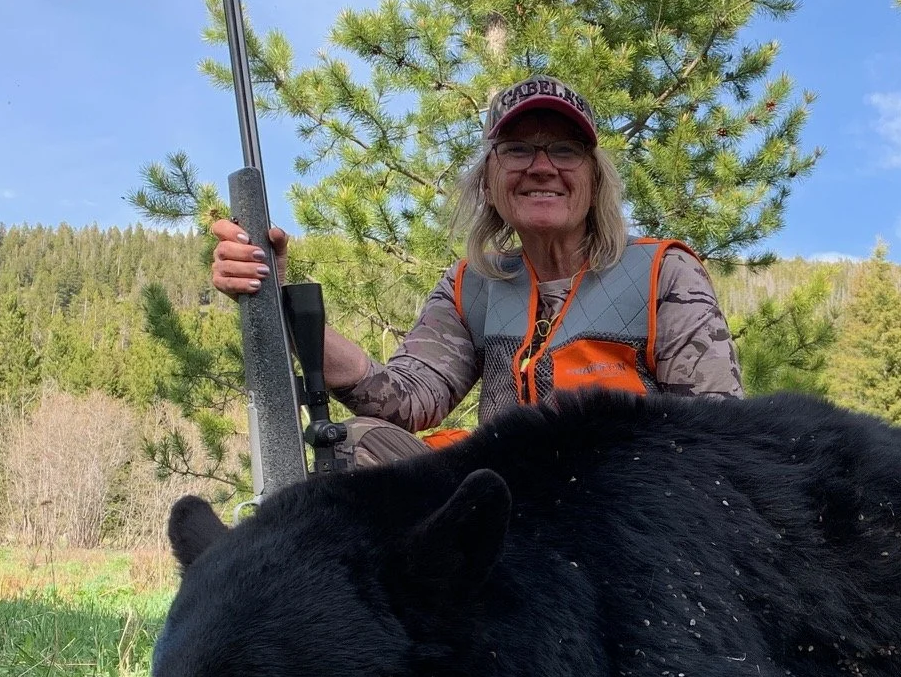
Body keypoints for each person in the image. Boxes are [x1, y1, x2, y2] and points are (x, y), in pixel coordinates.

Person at [207, 76, 744, 467]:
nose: (541, 167)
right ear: (489, 179)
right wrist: (280, 302)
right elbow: (405, 399)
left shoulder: (663, 274)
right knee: (355, 445)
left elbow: (717, 436)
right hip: (508, 502)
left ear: (595, 180)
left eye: (565, 150)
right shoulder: (473, 285)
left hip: (625, 508)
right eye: (517, 150)